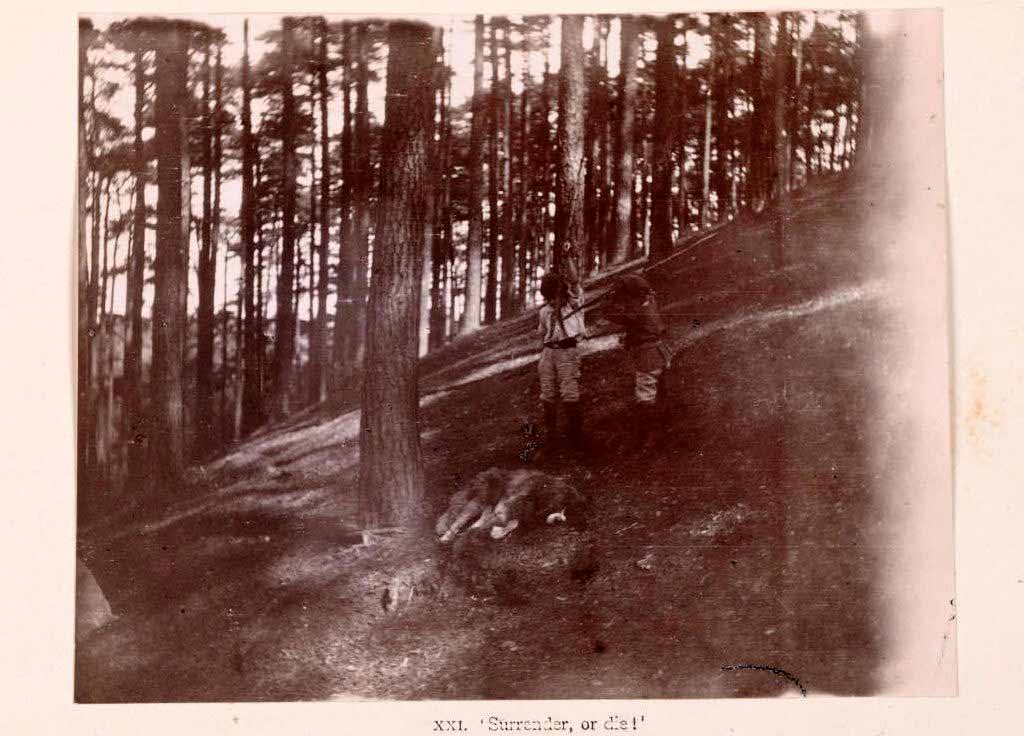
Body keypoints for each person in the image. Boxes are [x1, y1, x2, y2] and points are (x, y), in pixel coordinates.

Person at [604, 273, 673, 449]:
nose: (625, 302)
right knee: (659, 390)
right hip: (659, 352)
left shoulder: (636, 311)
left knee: (645, 395)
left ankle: (648, 437)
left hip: (647, 356)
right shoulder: (649, 301)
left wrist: (609, 301)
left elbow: (612, 314)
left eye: (626, 298)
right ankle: (664, 429)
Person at [537, 250, 586, 454]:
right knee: (547, 393)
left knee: (569, 392)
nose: (550, 300)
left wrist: (567, 259)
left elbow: (575, 281)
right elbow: (543, 334)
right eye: (547, 296)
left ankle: (576, 439)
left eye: (552, 295)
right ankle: (552, 439)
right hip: (549, 353)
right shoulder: (544, 311)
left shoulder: (573, 304)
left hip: (567, 352)